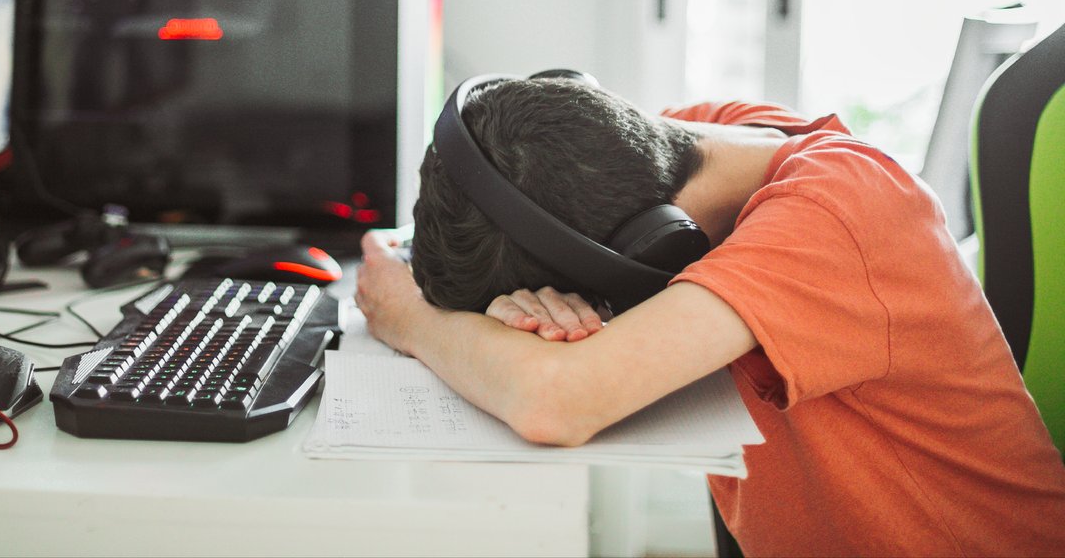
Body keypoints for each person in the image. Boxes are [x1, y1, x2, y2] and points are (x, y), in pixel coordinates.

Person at [354, 76, 1065, 556]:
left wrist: (409, 319)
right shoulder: (697, 144)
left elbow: (554, 402)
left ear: (653, 244)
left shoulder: (843, 210)